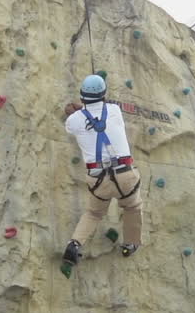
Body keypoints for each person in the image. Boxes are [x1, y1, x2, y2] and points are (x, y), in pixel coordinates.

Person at [61, 74, 143, 266]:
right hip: (124, 175)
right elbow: (100, 118)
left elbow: (75, 124)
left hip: (98, 179)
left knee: (94, 213)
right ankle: (130, 244)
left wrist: (76, 112)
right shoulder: (114, 110)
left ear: (82, 97)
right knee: (132, 206)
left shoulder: (74, 120)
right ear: (104, 95)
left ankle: (74, 244)